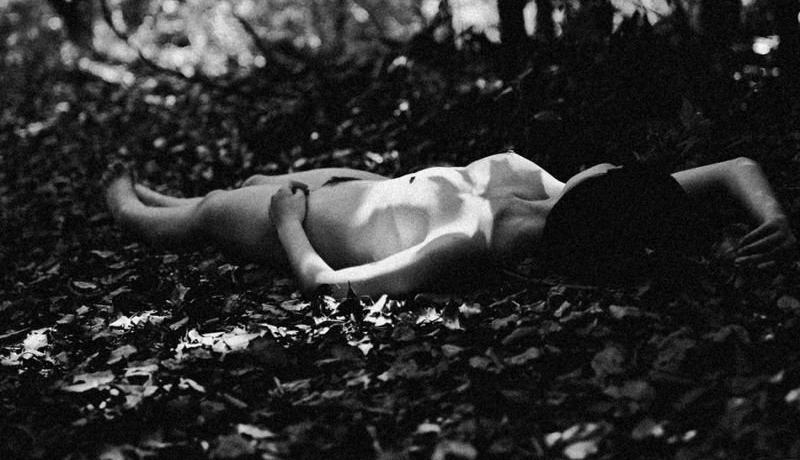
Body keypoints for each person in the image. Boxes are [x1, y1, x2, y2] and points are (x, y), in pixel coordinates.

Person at [105, 153, 796, 298]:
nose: (609, 161)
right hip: (359, 187)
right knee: (250, 183)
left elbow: (331, 287)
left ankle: (126, 203)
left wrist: (289, 224)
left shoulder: (466, 246)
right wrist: (774, 219)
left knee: (206, 210)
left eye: (610, 171)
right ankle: (163, 193)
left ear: (598, 202)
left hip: (306, 219)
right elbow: (735, 168)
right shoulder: (545, 189)